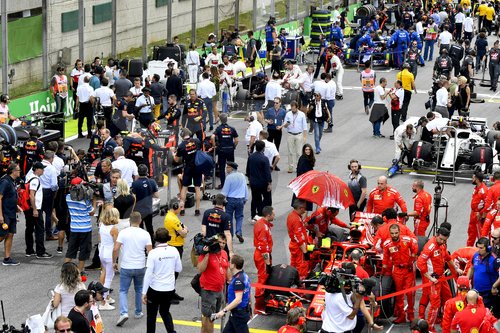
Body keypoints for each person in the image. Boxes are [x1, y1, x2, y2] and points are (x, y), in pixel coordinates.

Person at [113, 212, 152, 327]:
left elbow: (116, 248)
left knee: (123, 290)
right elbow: (150, 252)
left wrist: (114, 262)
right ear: (140, 221)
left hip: (126, 266)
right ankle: (138, 311)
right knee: (139, 289)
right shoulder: (145, 234)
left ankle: (124, 313)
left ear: (129, 221)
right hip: (140, 266)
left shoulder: (123, 233)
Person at [417, 226, 459, 331]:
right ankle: (430, 327)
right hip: (432, 279)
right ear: (436, 235)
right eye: (440, 239)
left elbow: (448, 259)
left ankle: (446, 321)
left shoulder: (443, 245)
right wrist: (430, 278)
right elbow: (419, 263)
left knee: (448, 299)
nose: (442, 241)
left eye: (444, 240)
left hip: (441, 277)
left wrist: (456, 269)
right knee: (435, 305)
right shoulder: (429, 247)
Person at [142, 228, 182, 333]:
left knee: (151, 315)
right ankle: (171, 332)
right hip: (169, 288)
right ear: (168, 238)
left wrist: (143, 292)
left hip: (155, 289)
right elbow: (179, 269)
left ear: (156, 239)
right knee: (165, 312)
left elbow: (148, 274)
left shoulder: (153, 253)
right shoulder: (174, 250)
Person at [382, 224, 418, 323]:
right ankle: (401, 315)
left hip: (408, 269)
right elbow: (385, 260)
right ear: (390, 233)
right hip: (397, 270)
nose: (394, 235)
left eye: (396, 233)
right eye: (392, 233)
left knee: (409, 293)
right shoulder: (387, 244)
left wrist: (412, 259)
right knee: (399, 294)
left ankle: (411, 315)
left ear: (399, 232)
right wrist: (383, 272)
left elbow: (415, 247)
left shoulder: (407, 240)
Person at [198, 233, 230, 333]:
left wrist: (230, 282)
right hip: (208, 290)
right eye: (220, 242)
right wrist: (207, 255)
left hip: (220, 290)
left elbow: (227, 268)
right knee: (208, 318)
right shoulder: (207, 253)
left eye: (224, 243)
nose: (222, 245)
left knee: (213, 317)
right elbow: (200, 269)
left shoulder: (224, 253)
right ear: (215, 241)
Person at [64, 177, 96, 272]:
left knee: (71, 251)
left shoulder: (68, 198)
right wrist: (94, 202)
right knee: (83, 251)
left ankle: (64, 271)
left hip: (74, 228)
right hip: (85, 229)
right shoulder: (85, 200)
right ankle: (79, 271)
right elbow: (92, 212)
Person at [214, 255, 251, 333]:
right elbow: (248, 294)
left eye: (230, 262)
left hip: (239, 315)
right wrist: (250, 309)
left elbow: (238, 300)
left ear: (233, 265)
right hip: (237, 313)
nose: (228, 263)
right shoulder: (244, 276)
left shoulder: (238, 281)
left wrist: (223, 311)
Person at [24, 162, 51, 258]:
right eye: (42, 168)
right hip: (35, 208)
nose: (43, 170)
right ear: (37, 169)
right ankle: (40, 252)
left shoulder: (29, 177)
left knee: (29, 228)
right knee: (39, 229)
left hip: (28, 208)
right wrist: (35, 209)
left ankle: (29, 250)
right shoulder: (35, 180)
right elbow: (32, 195)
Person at [174, 128, 202, 216]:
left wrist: (174, 153)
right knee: (197, 188)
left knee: (184, 187)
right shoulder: (197, 141)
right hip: (197, 166)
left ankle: (182, 210)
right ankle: (197, 210)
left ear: (182, 136)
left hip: (188, 168)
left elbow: (176, 160)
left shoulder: (181, 146)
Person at [253, 206, 275, 314]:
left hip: (261, 255)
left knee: (264, 278)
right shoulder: (263, 227)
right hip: (262, 256)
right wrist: (268, 263)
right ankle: (258, 307)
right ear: (268, 215)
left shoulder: (262, 223)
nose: (274, 216)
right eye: (273, 214)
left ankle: (262, 303)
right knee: (262, 279)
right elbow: (263, 247)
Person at [468, 237, 499, 312]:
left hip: (488, 294)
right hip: (476, 292)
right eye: (477, 247)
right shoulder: (475, 256)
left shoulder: (494, 259)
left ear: (488, 248)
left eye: (481, 248)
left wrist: (494, 287)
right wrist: (466, 280)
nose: (478, 250)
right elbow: (472, 268)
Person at [98, 207, 119, 310]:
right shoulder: (114, 229)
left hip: (102, 251)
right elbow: (116, 246)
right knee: (109, 277)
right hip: (109, 253)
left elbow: (100, 239)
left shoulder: (101, 224)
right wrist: (115, 261)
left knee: (104, 272)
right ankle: (104, 301)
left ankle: (105, 297)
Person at [131, 164, 159, 243]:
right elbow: (157, 195)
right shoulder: (152, 182)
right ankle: (152, 243)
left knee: (140, 228)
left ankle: (141, 243)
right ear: (147, 172)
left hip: (138, 210)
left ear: (138, 172)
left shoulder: (135, 184)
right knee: (149, 226)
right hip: (148, 209)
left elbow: (134, 198)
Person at [221, 162, 247, 241]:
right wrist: (245, 198)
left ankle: (230, 235)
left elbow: (225, 191)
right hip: (240, 199)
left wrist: (221, 200)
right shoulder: (242, 175)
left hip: (230, 200)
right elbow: (245, 188)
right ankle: (238, 232)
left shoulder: (229, 177)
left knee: (229, 218)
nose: (226, 169)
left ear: (231, 168)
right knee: (239, 217)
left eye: (227, 167)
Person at [246, 141, 272, 220]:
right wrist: (269, 183)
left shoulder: (251, 157)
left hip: (254, 182)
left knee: (255, 199)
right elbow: (267, 172)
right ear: (263, 148)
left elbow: (248, 170)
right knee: (267, 199)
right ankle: (261, 212)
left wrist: (250, 179)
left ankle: (253, 214)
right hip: (263, 183)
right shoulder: (264, 159)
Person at [212, 113, 238, 188]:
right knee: (232, 167)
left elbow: (212, 137)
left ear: (220, 120)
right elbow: (236, 140)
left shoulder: (219, 128)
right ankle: (232, 184)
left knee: (222, 168)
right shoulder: (232, 128)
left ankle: (223, 184)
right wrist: (233, 146)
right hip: (230, 150)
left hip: (222, 150)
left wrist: (214, 146)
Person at [287, 199, 310, 279]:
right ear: (300, 208)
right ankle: (301, 288)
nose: (305, 210)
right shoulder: (296, 219)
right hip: (299, 247)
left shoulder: (291, 215)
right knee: (302, 266)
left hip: (293, 245)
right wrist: (305, 252)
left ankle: (292, 282)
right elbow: (298, 237)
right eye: (304, 208)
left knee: (293, 265)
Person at [283, 101, 307, 173]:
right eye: (291, 108)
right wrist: (287, 124)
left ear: (297, 107)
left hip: (299, 134)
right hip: (290, 134)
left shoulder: (302, 114)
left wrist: (305, 136)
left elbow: (305, 126)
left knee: (299, 152)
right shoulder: (288, 114)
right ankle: (290, 167)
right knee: (290, 152)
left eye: (294, 108)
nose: (292, 110)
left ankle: (298, 167)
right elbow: (285, 125)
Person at [469, 171, 488, 245]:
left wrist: (481, 213)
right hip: (473, 214)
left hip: (478, 215)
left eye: (473, 178)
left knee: (480, 235)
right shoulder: (476, 188)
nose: (472, 179)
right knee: (471, 233)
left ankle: (481, 251)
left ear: (477, 179)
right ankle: (469, 249)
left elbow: (488, 204)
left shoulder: (484, 190)